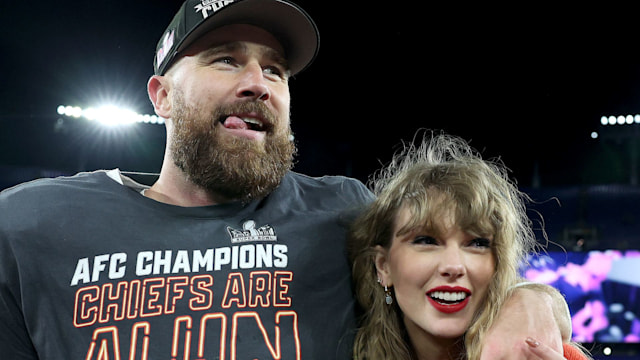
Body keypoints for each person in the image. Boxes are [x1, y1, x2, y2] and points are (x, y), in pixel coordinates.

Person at [0, 1, 584, 359]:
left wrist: (532, 298)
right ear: (161, 96)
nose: (259, 81)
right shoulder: (28, 226)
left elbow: (454, 274)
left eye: (275, 69)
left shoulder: (342, 212)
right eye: (226, 58)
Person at [348, 132, 592, 359]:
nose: (454, 266)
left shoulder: (543, 352)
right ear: (383, 266)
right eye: (426, 241)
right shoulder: (339, 344)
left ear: (499, 263)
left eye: (477, 243)